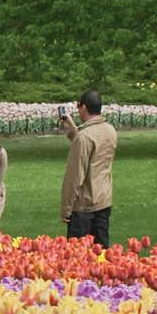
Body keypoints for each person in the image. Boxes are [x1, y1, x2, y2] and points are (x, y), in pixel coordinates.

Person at [57, 92, 117, 244]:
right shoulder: (110, 130)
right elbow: (93, 150)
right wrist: (73, 130)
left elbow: (75, 177)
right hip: (103, 201)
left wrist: (66, 208)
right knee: (101, 253)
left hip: (83, 208)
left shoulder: (84, 137)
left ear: (84, 107)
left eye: (78, 106)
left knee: (79, 255)